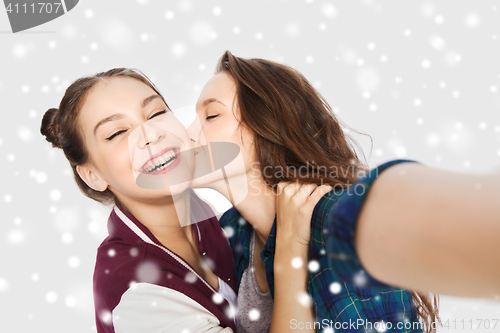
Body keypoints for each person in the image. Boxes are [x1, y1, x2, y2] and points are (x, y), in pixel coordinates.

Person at [40, 67, 330, 333]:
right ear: (92, 175)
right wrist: (292, 251)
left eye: (155, 113)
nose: (150, 135)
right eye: (117, 133)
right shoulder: (137, 295)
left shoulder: (215, 219)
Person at [187, 51, 455, 333]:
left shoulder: (339, 227)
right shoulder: (232, 231)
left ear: (267, 125)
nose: (189, 133)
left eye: (211, 115)